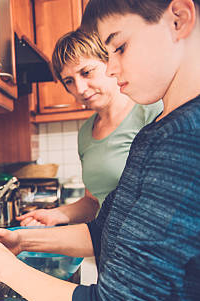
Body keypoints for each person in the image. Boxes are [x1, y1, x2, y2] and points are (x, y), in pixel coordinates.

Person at [0, 0, 200, 301]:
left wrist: (6, 269)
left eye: (120, 47)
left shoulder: (185, 142)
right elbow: (104, 231)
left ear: (178, 19)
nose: (109, 70)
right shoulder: (162, 132)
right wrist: (22, 242)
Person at [18, 30, 162, 227]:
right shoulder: (86, 132)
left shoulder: (151, 111)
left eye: (86, 72)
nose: (80, 89)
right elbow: (93, 201)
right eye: (69, 81)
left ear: (109, 63)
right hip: (110, 247)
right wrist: (56, 215)